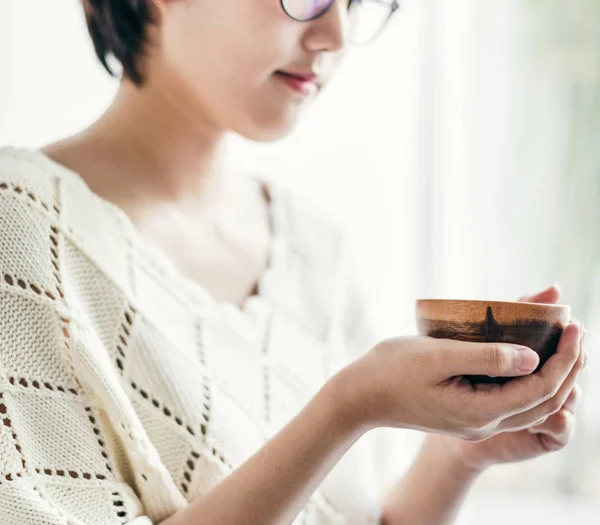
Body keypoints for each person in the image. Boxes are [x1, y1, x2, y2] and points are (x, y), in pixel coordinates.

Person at [0, 1, 587, 524]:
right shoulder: (20, 232)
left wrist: (458, 457)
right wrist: (348, 408)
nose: (336, 33)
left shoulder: (315, 249)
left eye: (358, 2)